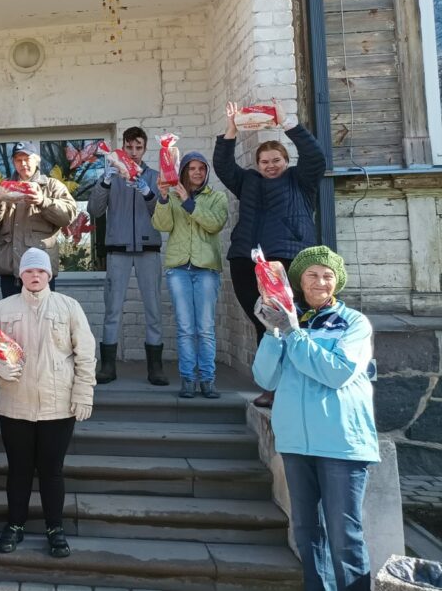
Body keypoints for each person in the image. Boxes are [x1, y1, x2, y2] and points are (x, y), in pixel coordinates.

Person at [252, 246, 378, 591]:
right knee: (307, 534)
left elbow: (336, 372)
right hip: (296, 443)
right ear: (299, 281)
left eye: (328, 275)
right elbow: (265, 378)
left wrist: (293, 333)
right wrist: (272, 332)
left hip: (341, 445)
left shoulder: (354, 323)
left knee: (344, 538)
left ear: (337, 282)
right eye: (312, 275)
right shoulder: (289, 323)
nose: (321, 282)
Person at [0, 249, 96, 559]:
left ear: (49, 275)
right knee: (18, 470)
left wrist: (84, 394)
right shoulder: (3, 308)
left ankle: (55, 528)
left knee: (52, 471)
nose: (35, 276)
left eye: (40, 271)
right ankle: (14, 525)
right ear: (20, 276)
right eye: (29, 271)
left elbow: (85, 354)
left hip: (58, 406)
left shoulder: (69, 307)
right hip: (15, 404)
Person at [215, 102, 326, 408]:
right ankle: (271, 387)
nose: (270, 166)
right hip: (246, 261)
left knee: (291, 325)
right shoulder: (248, 181)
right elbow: (224, 167)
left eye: (276, 160)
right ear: (258, 164)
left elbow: (316, 157)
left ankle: (295, 386)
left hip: (286, 259)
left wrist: (287, 122)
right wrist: (231, 129)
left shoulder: (301, 180)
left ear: (286, 161)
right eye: (264, 162)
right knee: (264, 324)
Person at [87, 127, 167, 386]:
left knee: (153, 308)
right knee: (112, 309)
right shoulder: (112, 175)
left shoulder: (154, 176)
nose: (133, 152)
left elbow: (163, 214)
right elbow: (94, 210)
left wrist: (147, 192)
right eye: (129, 147)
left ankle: (155, 367)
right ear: (122, 147)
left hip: (148, 249)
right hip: (117, 249)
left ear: (145, 149)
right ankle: (108, 365)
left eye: (138, 147)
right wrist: (105, 182)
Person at [152, 152, 228, 399]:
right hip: (178, 269)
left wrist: (189, 202)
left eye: (201, 168)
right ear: (184, 171)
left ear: (206, 172)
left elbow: (214, 224)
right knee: (185, 328)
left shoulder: (217, 197)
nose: (197, 172)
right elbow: (162, 226)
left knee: (205, 328)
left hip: (206, 268)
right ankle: (188, 380)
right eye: (192, 168)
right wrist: (164, 198)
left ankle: (207, 380)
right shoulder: (173, 196)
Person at [0, 141, 77, 298]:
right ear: (13, 162)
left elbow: (68, 216)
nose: (23, 163)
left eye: (27, 159)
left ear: (37, 160)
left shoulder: (52, 186)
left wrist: (43, 201)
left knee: (42, 312)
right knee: (12, 313)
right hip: (11, 272)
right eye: (18, 160)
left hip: (40, 271)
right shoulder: (3, 187)